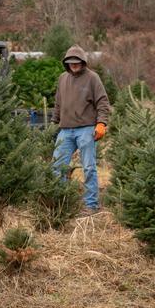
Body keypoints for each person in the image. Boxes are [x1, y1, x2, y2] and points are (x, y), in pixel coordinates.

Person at [52, 44, 110, 214]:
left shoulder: (93, 78)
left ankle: (91, 205)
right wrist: (54, 123)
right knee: (57, 166)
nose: (74, 64)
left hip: (86, 129)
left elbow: (103, 102)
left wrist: (101, 123)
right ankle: (62, 202)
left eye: (77, 61)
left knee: (89, 167)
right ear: (66, 63)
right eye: (71, 62)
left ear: (83, 62)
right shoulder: (62, 78)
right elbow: (58, 103)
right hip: (65, 130)